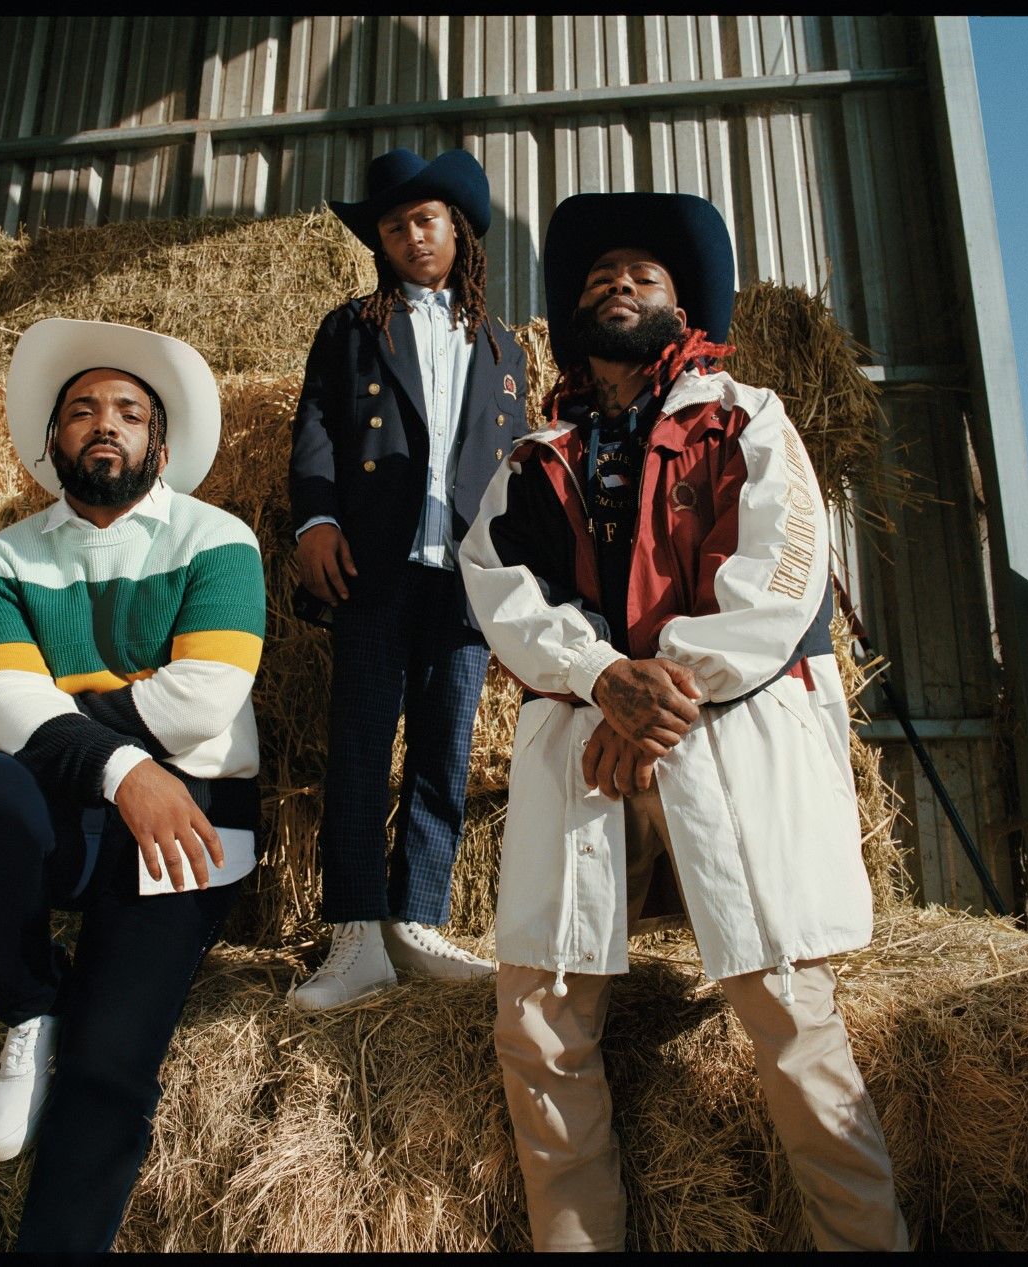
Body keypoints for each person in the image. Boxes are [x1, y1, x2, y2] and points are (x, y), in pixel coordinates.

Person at [458, 193, 910, 1252]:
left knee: (790, 1017)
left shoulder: (747, 417)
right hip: (587, 749)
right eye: (598, 278)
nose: (618, 284)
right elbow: (501, 586)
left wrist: (652, 694)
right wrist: (599, 675)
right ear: (575, 321)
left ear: (681, 307)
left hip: (720, 736)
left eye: (643, 275)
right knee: (538, 1024)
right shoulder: (535, 459)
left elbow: (779, 573)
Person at [0, 318, 266, 1251]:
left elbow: (205, 696)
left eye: (128, 411)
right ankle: (31, 1005)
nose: (104, 423)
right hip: (74, 811)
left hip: (192, 821)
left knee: (110, 1061)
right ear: (53, 439)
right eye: (81, 410)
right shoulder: (2, 559)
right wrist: (123, 770)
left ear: (161, 443)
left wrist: (64, 724)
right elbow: (3, 702)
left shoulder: (218, 540)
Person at [285, 148, 530, 1011]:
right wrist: (316, 520)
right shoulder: (352, 326)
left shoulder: (502, 345)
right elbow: (317, 423)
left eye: (425, 220)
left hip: (467, 575)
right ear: (381, 244)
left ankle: (417, 919)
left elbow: (519, 467)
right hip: (374, 562)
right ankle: (356, 930)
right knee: (359, 742)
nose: (412, 236)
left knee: (443, 749)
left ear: (458, 231)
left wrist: (518, 575)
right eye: (394, 227)